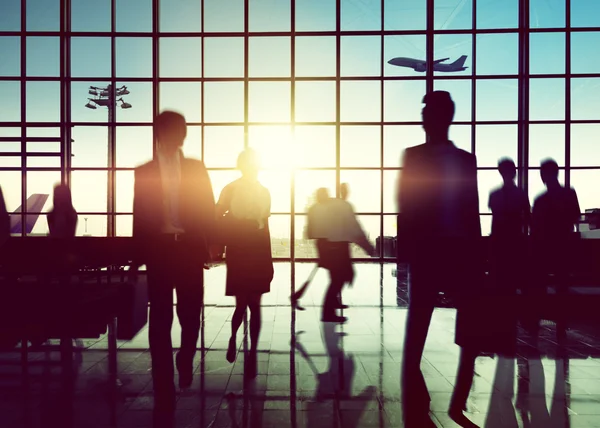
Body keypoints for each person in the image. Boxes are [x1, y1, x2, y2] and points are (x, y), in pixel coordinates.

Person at [397, 91, 482, 427]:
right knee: (421, 325)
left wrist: (476, 256)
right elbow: (407, 207)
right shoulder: (452, 159)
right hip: (434, 253)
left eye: (426, 111)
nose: (422, 117)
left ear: (443, 116)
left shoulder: (460, 160)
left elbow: (469, 210)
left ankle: (451, 402)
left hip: (455, 252)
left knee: (462, 329)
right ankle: (425, 398)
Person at [131, 111, 217, 412]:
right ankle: (162, 379)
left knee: (190, 314)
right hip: (160, 250)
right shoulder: (144, 172)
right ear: (160, 133)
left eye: (181, 131)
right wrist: (137, 257)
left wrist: (212, 245)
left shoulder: (195, 168)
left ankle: (185, 356)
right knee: (160, 319)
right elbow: (139, 216)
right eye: (173, 131)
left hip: (188, 249)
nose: (178, 136)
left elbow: (208, 206)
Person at [217, 148, 273, 379]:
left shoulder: (234, 189)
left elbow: (218, 215)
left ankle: (241, 343)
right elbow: (219, 216)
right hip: (247, 246)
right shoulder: (261, 191)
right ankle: (244, 345)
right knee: (248, 303)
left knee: (248, 302)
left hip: (248, 247)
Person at [305, 187, 376, 323]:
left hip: (324, 244)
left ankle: (333, 303)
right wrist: (367, 246)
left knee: (336, 276)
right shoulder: (342, 206)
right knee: (339, 278)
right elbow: (354, 228)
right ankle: (328, 312)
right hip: (337, 246)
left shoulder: (315, 208)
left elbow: (310, 231)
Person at [529, 159, 581, 336]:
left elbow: (534, 226)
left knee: (539, 283)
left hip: (544, 246)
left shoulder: (540, 199)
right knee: (562, 284)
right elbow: (575, 215)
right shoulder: (569, 193)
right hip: (563, 244)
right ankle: (561, 321)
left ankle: (536, 319)